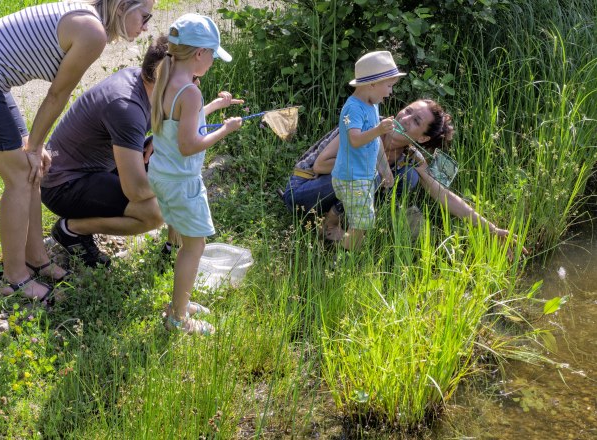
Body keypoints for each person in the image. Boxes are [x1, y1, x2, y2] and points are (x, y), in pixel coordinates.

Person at [0, 0, 155, 303]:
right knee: (22, 175)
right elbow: (57, 93)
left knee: (35, 170)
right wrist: (35, 146)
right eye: (144, 16)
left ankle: (37, 258)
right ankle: (14, 277)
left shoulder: (89, 19)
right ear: (122, 7)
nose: (146, 26)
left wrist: (36, 147)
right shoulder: (93, 33)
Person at [283, 98, 523, 247]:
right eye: (407, 111)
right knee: (375, 174)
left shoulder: (411, 157)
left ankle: (345, 223)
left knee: (407, 176)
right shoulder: (368, 124)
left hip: (336, 192)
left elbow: (443, 194)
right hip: (303, 191)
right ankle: (331, 223)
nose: (404, 118)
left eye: (415, 121)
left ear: (423, 137)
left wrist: (491, 229)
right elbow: (320, 166)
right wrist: (373, 165)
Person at [149, 14, 244, 335]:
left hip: (163, 175)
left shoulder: (168, 80)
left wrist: (215, 107)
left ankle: (181, 301)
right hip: (183, 182)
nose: (214, 61)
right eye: (213, 54)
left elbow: (181, 122)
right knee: (195, 247)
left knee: (190, 244)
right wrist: (226, 130)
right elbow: (190, 144)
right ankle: (178, 318)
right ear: (199, 54)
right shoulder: (189, 92)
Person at [42, 35, 169, 268]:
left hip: (96, 168)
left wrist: (159, 140)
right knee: (154, 212)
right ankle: (71, 229)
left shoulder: (144, 83)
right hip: (64, 185)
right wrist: (175, 188)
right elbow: (137, 190)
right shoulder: (126, 106)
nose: (196, 84)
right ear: (164, 75)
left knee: (166, 161)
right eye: (190, 77)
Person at [330, 50, 405, 251]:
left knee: (358, 213)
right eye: (388, 86)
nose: (390, 92)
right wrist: (379, 129)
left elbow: (375, 142)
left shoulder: (372, 105)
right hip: (353, 177)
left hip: (363, 175)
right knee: (363, 223)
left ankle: (328, 231)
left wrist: (384, 169)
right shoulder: (351, 109)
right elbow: (355, 140)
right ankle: (345, 256)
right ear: (372, 83)